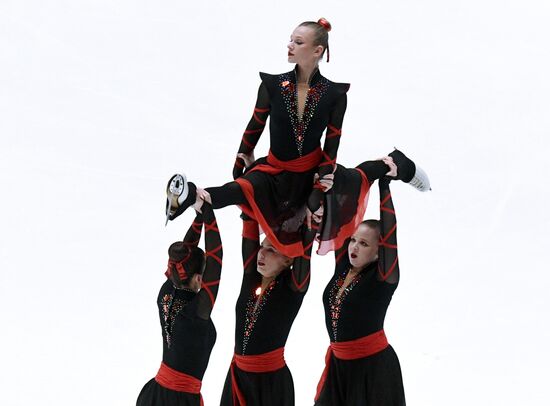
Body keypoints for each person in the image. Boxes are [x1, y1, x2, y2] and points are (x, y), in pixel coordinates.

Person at [166, 18, 358, 258]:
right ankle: (189, 196)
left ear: (317, 51)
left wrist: (319, 187)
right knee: (238, 189)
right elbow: (254, 126)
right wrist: (239, 162)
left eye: (298, 42)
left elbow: (333, 142)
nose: (289, 45)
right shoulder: (273, 85)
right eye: (291, 40)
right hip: (273, 170)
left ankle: (397, 165)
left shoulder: (335, 94)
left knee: (305, 239)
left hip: (308, 177)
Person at [313, 176, 407, 405]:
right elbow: (339, 221)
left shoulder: (383, 279)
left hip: (372, 371)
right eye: (354, 240)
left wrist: (384, 187)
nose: (354, 247)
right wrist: (331, 186)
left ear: (379, 252)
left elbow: (390, 233)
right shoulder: (344, 267)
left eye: (364, 244)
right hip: (338, 367)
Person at [218, 206, 321, 405]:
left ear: (288, 259)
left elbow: (305, 250)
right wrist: (246, 195)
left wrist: (312, 218)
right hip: (237, 378)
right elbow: (249, 227)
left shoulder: (292, 288)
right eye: (263, 247)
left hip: (270, 384)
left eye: (272, 250)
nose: (262, 254)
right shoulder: (251, 279)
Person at [137, 190, 223, 406]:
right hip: (179, 400)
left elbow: (188, 252)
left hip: (154, 394)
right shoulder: (197, 311)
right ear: (198, 278)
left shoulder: (165, 292)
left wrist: (200, 216)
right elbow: (217, 259)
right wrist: (208, 213)